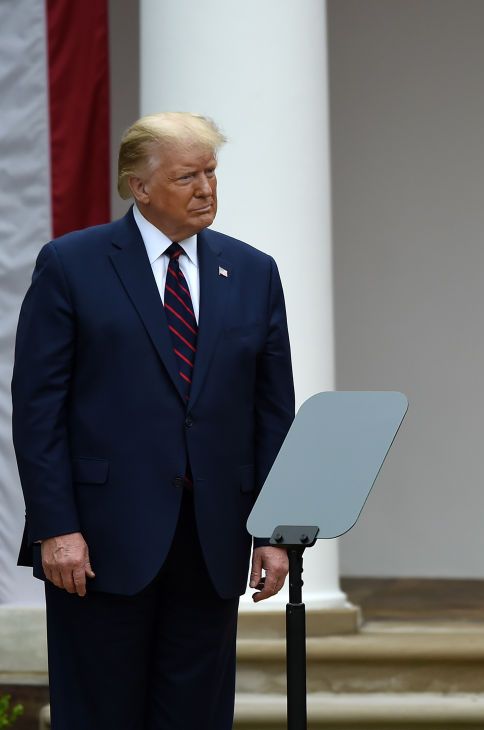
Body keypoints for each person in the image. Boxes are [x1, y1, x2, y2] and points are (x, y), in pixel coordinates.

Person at [12, 112, 295, 729]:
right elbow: (38, 410)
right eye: (186, 176)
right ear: (139, 187)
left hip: (212, 541)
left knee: (197, 715)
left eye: (212, 172)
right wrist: (56, 526)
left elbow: (273, 413)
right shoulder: (71, 264)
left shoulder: (253, 271)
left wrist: (275, 531)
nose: (206, 189)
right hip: (97, 546)